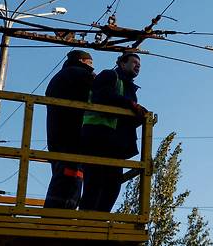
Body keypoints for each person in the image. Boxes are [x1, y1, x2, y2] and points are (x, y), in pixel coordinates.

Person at [79, 52, 147, 212]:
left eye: (139, 64)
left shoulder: (128, 86)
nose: (137, 66)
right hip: (98, 137)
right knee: (94, 183)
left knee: (112, 185)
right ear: (122, 64)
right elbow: (103, 96)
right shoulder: (109, 76)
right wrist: (131, 105)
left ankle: (99, 221)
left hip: (115, 143)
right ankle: (85, 221)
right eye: (134, 62)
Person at [43, 50, 95, 209]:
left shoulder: (59, 77)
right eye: (90, 63)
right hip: (74, 133)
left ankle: (54, 214)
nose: (92, 67)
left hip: (56, 135)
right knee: (72, 176)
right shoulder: (81, 74)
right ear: (82, 61)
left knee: (61, 174)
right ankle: (60, 216)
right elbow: (98, 91)